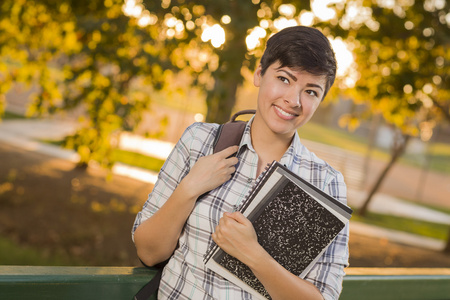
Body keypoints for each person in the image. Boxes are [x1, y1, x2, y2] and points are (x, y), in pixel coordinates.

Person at [132, 25, 349, 300]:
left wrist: (253, 255)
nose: (293, 100)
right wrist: (189, 188)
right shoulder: (200, 141)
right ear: (260, 74)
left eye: (311, 92)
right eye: (284, 79)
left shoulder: (326, 182)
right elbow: (149, 252)